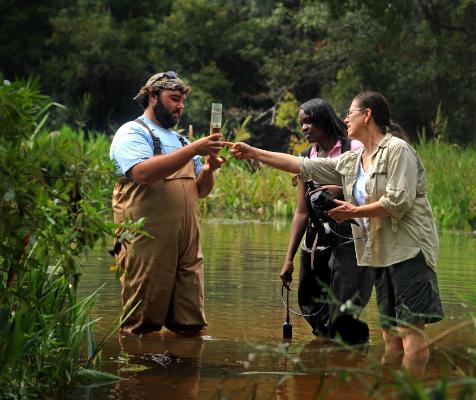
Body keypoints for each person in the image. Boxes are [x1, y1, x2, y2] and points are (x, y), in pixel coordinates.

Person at [228, 91, 444, 376]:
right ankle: (388, 389)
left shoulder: (397, 150)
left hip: (409, 252)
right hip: (382, 255)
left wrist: (353, 212)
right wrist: (253, 152)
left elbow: (398, 202)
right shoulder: (354, 160)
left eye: (350, 113)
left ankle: (411, 391)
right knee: (390, 335)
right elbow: (302, 166)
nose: (345, 119)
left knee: (411, 332)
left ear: (367, 115)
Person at [110, 71, 224, 335]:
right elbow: (142, 173)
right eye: (174, 98)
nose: (180, 106)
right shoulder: (133, 132)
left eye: (182, 100)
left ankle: (184, 361)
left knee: (190, 323)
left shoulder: (181, 140)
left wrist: (208, 169)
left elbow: (200, 191)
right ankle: (137, 361)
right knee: (141, 323)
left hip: (186, 245)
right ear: (152, 96)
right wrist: (194, 150)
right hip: (145, 241)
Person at [281, 98, 374, 341]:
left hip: (350, 238)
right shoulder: (306, 156)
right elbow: (301, 212)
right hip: (316, 240)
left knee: (343, 306)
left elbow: (371, 191)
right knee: (311, 305)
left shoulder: (354, 148)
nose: (304, 127)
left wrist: (341, 190)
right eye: (301, 123)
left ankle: (350, 346)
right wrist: (289, 258)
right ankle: (329, 355)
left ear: (324, 119)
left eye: (310, 121)